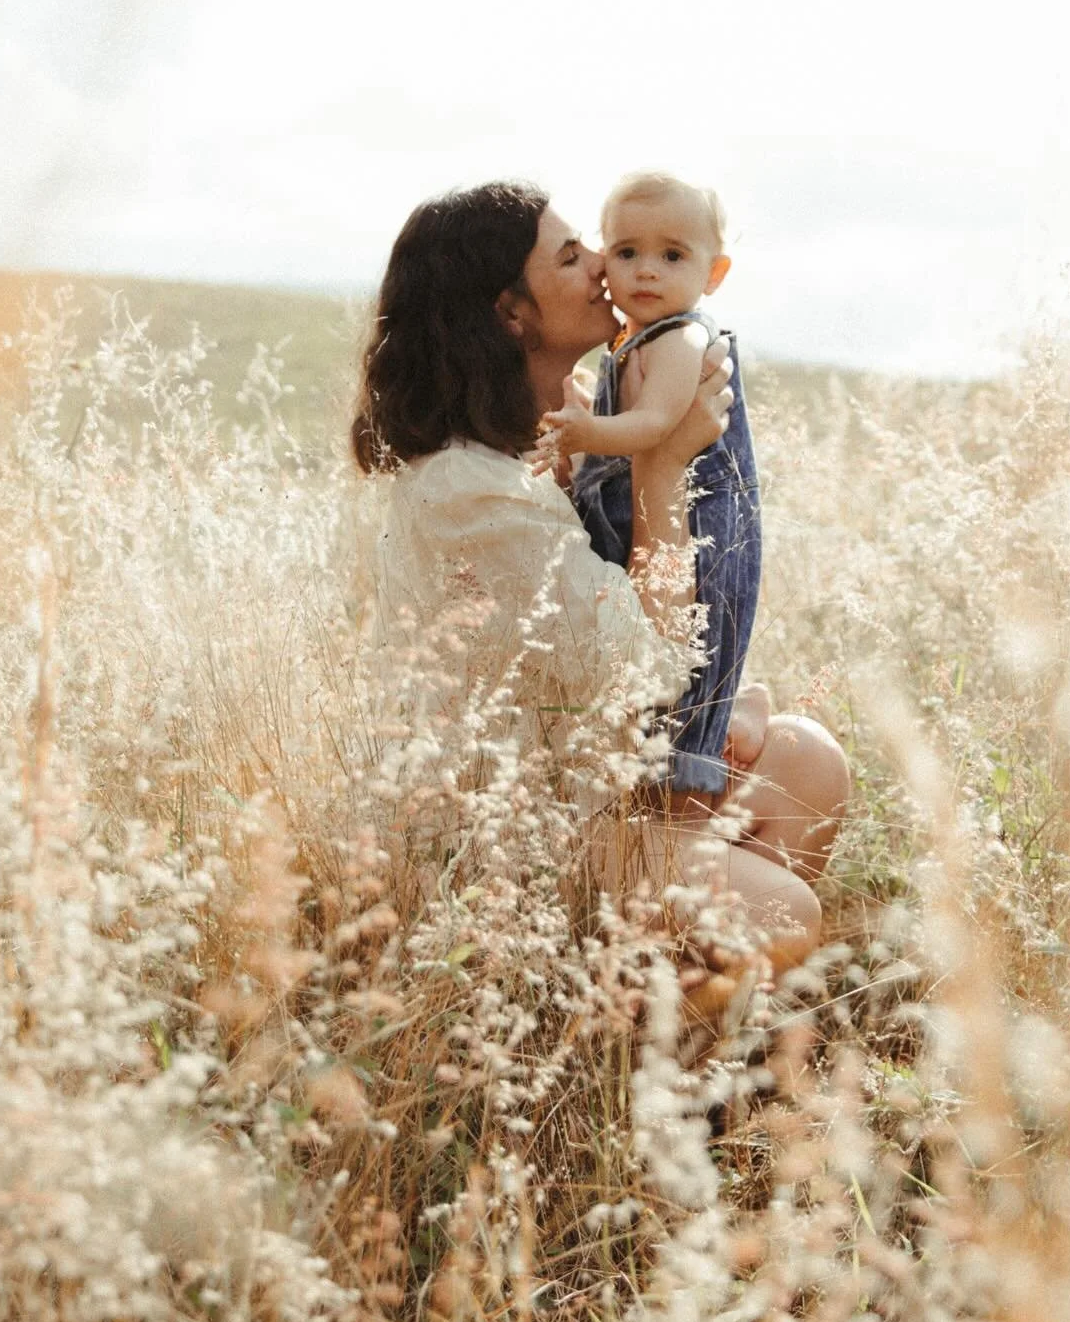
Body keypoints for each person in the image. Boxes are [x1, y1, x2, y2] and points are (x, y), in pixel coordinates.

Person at [351, 181, 849, 974]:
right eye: (572, 255)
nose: (604, 270)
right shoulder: (470, 491)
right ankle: (619, 1018)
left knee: (809, 760)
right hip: (513, 833)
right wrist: (661, 467)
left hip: (601, 780)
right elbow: (649, 673)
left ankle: (672, 1010)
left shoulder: (563, 430)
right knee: (780, 913)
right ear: (512, 312)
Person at [537, 171, 757, 804]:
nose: (647, 271)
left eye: (672, 255)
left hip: (698, 523)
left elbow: (656, 426)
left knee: (691, 662)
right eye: (627, 252)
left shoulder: (682, 339)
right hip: (634, 509)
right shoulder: (630, 341)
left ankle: (699, 757)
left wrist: (587, 431)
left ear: (713, 275)